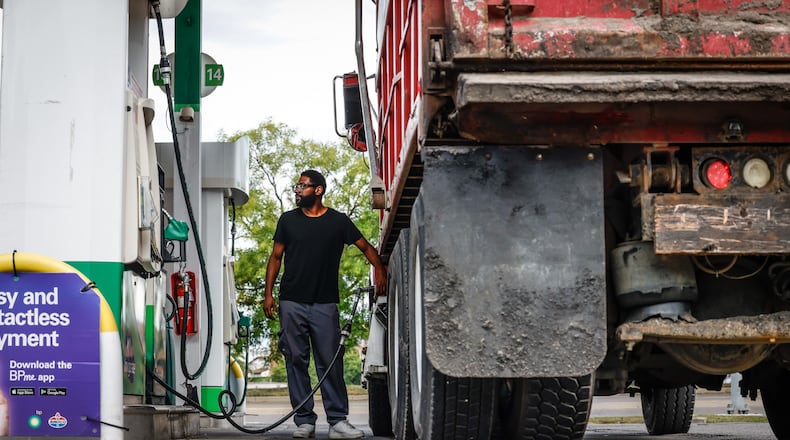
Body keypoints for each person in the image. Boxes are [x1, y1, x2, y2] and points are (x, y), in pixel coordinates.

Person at [264, 169, 386, 439]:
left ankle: (337, 421)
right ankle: (304, 422)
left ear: (318, 190)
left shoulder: (338, 222)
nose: (297, 191)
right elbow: (275, 257)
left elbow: (365, 247)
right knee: (295, 360)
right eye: (297, 186)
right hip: (291, 301)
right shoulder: (287, 221)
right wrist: (268, 294)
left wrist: (380, 270)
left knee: (330, 362)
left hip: (325, 304)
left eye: (302, 186)